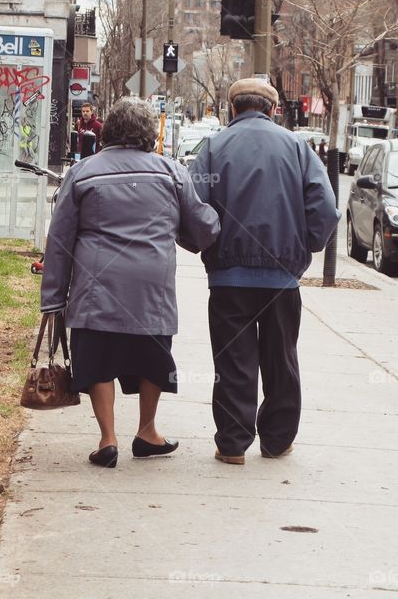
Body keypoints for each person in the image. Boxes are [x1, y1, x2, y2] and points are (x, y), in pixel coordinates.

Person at [41, 97, 220, 469]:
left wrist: (54, 297)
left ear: (108, 130)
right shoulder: (172, 171)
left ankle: (107, 439)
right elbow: (203, 228)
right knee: (151, 354)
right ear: (148, 133)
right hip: (150, 282)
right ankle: (147, 431)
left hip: (95, 282)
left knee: (98, 356)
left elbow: (59, 240)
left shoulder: (83, 171)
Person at [191, 78, 340, 466]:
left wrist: (209, 243)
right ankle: (277, 440)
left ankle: (232, 442)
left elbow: (193, 208)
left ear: (232, 109)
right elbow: (324, 208)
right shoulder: (297, 148)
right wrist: (306, 246)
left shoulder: (213, 147)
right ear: (273, 110)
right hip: (281, 278)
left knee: (233, 362)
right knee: (281, 359)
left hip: (228, 278)